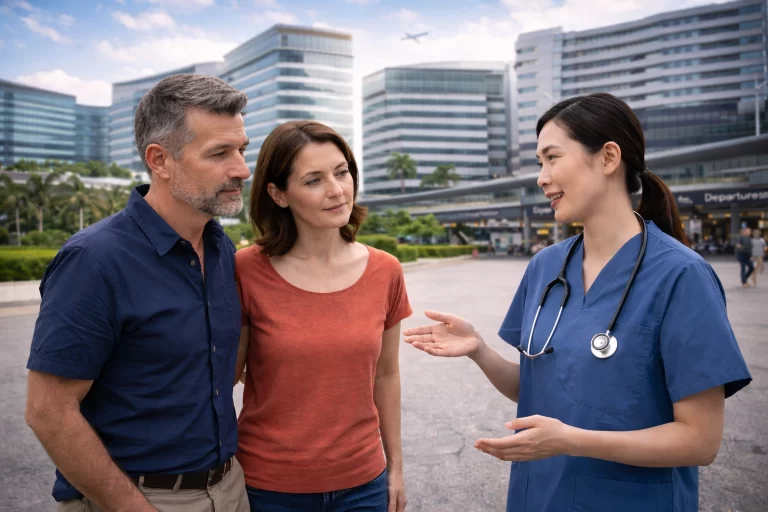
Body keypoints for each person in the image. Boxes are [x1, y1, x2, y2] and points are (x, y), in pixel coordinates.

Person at [404, 92, 752, 512]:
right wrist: (478, 349)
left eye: (552, 158)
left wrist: (571, 441)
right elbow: (541, 389)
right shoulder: (546, 267)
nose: (541, 177)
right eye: (539, 163)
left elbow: (700, 441)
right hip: (539, 496)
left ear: (608, 158)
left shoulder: (681, 276)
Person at [25, 74, 251, 512]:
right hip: (134, 497)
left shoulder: (221, 247)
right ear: (160, 160)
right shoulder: (94, 261)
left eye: (241, 149)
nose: (241, 168)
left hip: (229, 489)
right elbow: (48, 412)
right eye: (220, 153)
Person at [234, 120, 411, 512]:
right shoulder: (245, 270)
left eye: (341, 172)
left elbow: (386, 374)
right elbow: (226, 373)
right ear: (279, 195)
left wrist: (395, 468)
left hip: (364, 484)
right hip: (270, 487)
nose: (336, 190)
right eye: (313, 180)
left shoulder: (386, 270)